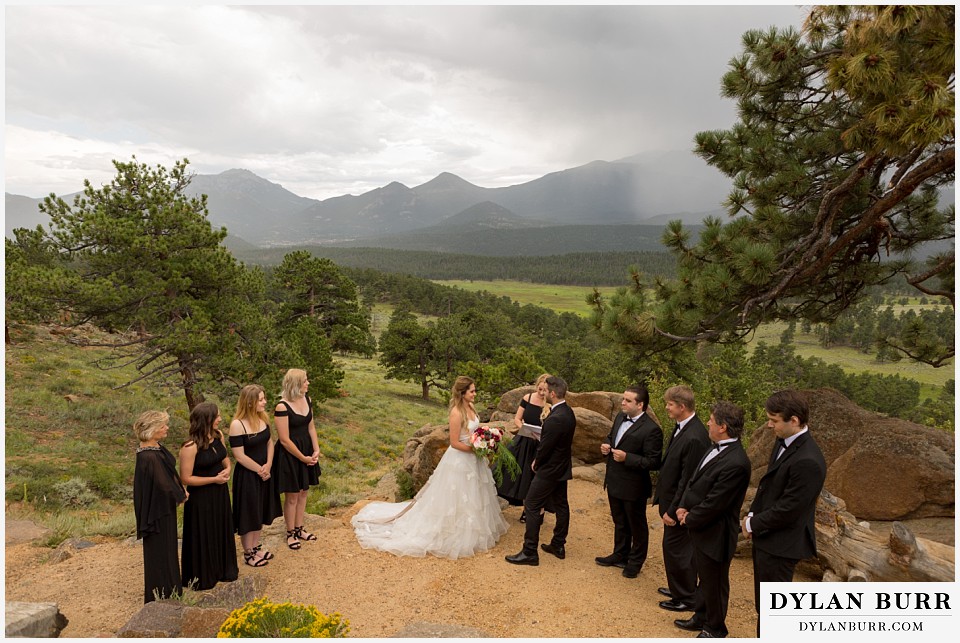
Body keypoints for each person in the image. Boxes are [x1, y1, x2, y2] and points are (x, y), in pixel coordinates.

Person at [352, 376, 508, 558]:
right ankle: (452, 532)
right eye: (472, 391)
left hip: (474, 458)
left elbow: (475, 431)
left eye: (474, 390)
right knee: (456, 495)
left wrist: (485, 440)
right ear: (462, 393)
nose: (475, 393)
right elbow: (455, 442)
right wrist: (474, 450)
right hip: (460, 459)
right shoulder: (457, 413)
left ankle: (474, 529)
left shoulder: (471, 407)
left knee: (474, 494)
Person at [742, 390, 826, 636]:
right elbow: (768, 485)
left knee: (773, 610)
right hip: (768, 536)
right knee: (764, 605)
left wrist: (753, 524)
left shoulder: (808, 460)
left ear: (795, 420)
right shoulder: (783, 441)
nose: (769, 425)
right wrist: (751, 515)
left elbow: (789, 509)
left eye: (774, 420)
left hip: (783, 544)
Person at [674, 401, 751, 639]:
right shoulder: (714, 446)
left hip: (716, 532)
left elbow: (716, 503)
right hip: (700, 527)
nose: (707, 422)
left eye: (711, 419)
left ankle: (715, 627)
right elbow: (695, 481)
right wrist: (683, 505)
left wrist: (689, 518)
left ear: (723, 426)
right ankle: (701, 616)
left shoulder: (737, 462)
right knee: (703, 578)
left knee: (715, 583)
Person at [505, 375, 576, 566]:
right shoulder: (569, 412)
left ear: (553, 393)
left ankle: (529, 552)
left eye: (548, 391)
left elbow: (546, 446)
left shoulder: (555, 418)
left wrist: (537, 462)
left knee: (533, 505)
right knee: (562, 505)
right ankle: (558, 544)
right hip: (562, 467)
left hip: (549, 469)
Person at [654, 385, 711, 612]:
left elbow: (688, 479)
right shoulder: (681, 427)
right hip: (670, 501)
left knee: (679, 550)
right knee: (672, 549)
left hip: (679, 507)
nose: (666, 407)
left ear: (682, 406)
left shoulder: (696, 437)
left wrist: (675, 508)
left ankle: (685, 597)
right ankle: (678, 588)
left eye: (669, 404)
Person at [596, 384, 662, 578]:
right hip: (614, 480)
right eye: (623, 399)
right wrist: (607, 445)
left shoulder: (652, 430)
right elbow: (612, 436)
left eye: (627, 400)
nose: (622, 402)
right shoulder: (619, 417)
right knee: (619, 521)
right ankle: (620, 554)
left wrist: (628, 458)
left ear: (640, 405)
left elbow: (654, 461)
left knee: (637, 525)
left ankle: (635, 562)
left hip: (634, 486)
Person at [179, 402, 239, 591]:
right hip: (201, 499)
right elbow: (186, 478)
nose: (220, 419)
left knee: (220, 529)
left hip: (219, 493)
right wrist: (213, 479)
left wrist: (227, 470)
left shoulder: (218, 436)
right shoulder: (190, 447)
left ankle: (223, 569)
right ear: (207, 419)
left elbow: (225, 459)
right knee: (204, 533)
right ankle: (204, 576)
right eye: (217, 416)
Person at [133, 410, 187, 603]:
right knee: (161, 549)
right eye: (163, 426)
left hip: (162, 507)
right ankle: (162, 593)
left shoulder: (155, 448)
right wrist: (180, 495)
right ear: (152, 429)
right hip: (158, 511)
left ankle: (171, 589)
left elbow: (168, 474)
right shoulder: (149, 456)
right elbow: (163, 484)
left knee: (168, 548)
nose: (167, 428)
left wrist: (179, 490)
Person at [228, 384, 282, 567]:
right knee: (248, 512)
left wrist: (268, 465)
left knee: (260, 510)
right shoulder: (238, 425)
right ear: (250, 402)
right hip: (248, 475)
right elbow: (239, 456)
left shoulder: (263, 419)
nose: (265, 402)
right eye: (261, 399)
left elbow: (269, 443)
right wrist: (260, 470)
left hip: (265, 472)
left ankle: (256, 546)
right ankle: (248, 552)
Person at [273, 369, 322, 551]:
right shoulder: (282, 407)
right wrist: (302, 458)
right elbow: (284, 440)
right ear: (295, 384)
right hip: (291, 455)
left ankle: (300, 528)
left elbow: (311, 427)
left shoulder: (307, 400)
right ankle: (290, 532)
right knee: (292, 496)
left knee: (303, 492)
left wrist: (316, 449)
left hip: (307, 451)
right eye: (305, 381)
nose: (308, 383)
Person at [497, 373, 552, 514]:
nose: (541, 393)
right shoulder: (527, 398)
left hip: (540, 444)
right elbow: (517, 418)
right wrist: (524, 428)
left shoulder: (550, 405)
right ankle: (521, 504)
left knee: (534, 477)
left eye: (544, 390)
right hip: (524, 440)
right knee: (514, 471)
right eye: (539, 389)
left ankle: (535, 511)